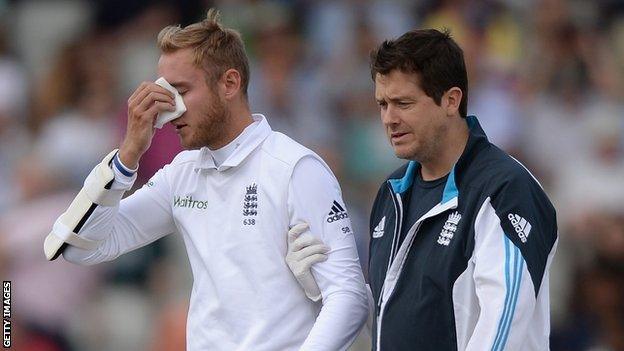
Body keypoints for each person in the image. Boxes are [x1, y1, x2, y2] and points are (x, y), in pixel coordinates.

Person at [43, 10, 368, 351]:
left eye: (180, 91)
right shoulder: (182, 172)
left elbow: (348, 296)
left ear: (229, 83)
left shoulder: (296, 168)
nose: (170, 111)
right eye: (163, 94)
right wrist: (126, 157)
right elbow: (79, 247)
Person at [288, 29, 558, 350]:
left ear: (451, 100)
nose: (389, 118)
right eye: (382, 104)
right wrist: (324, 293)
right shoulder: (391, 192)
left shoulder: (505, 189)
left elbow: (503, 327)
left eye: (403, 103)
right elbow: (389, 321)